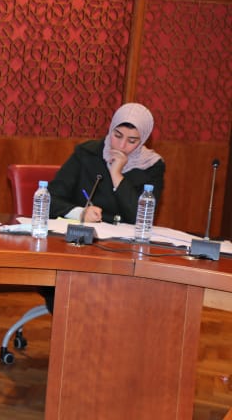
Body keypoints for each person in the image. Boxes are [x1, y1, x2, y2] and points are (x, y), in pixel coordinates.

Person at [42, 102, 165, 311]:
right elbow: (50, 198)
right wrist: (80, 213)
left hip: (123, 254)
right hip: (78, 249)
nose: (121, 146)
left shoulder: (152, 166)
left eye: (132, 141)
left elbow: (141, 216)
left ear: (143, 139)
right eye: (117, 135)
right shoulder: (86, 154)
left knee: (128, 299)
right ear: (110, 129)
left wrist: (117, 175)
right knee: (72, 294)